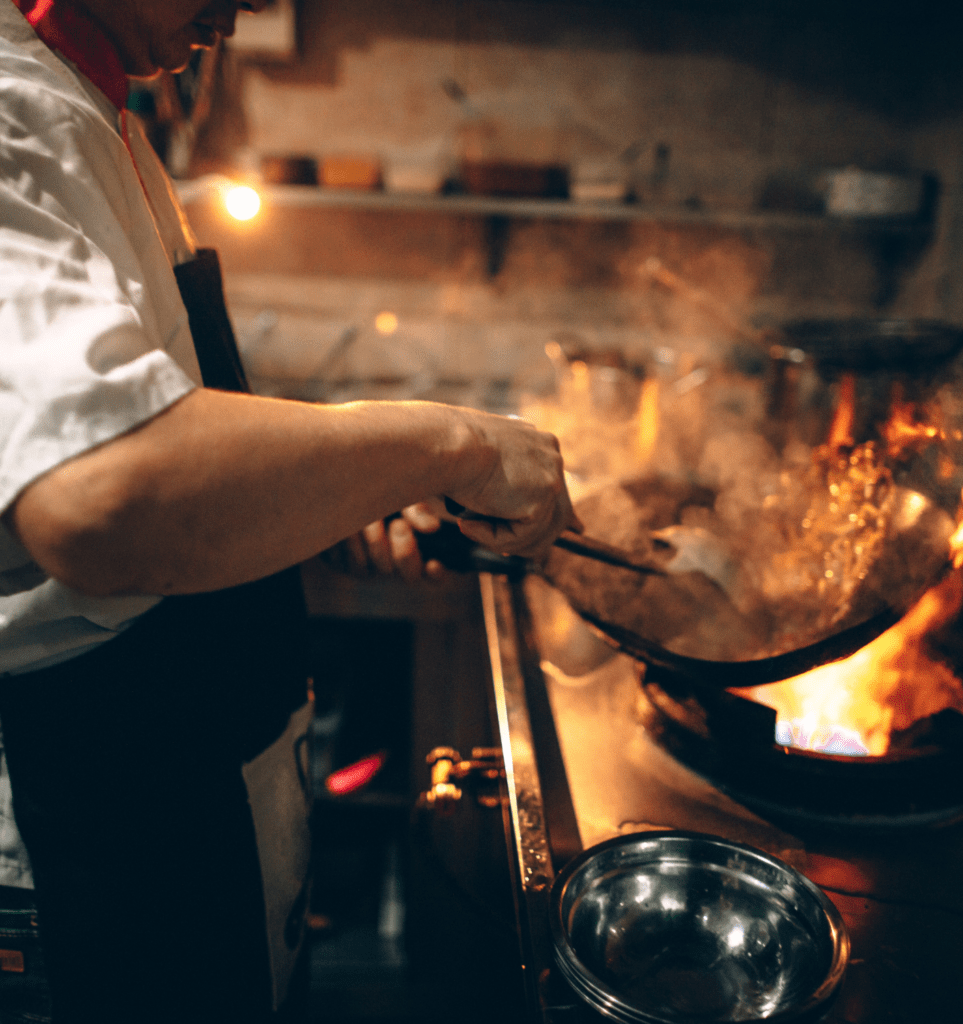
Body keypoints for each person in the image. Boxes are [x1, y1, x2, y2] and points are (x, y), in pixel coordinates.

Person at [0, 2, 579, 1022]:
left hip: (178, 793)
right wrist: (452, 441)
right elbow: (99, 497)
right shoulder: (13, 109)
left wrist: (326, 499)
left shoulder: (99, 109)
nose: (256, 3)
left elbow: (165, 446)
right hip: (79, 836)